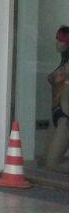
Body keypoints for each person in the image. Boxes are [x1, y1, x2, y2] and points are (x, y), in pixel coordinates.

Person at [44, 26, 69, 171]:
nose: (56, 42)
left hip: (65, 116)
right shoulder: (63, 63)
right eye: (57, 38)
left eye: (60, 39)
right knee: (44, 161)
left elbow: (56, 78)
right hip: (56, 113)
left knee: (51, 164)